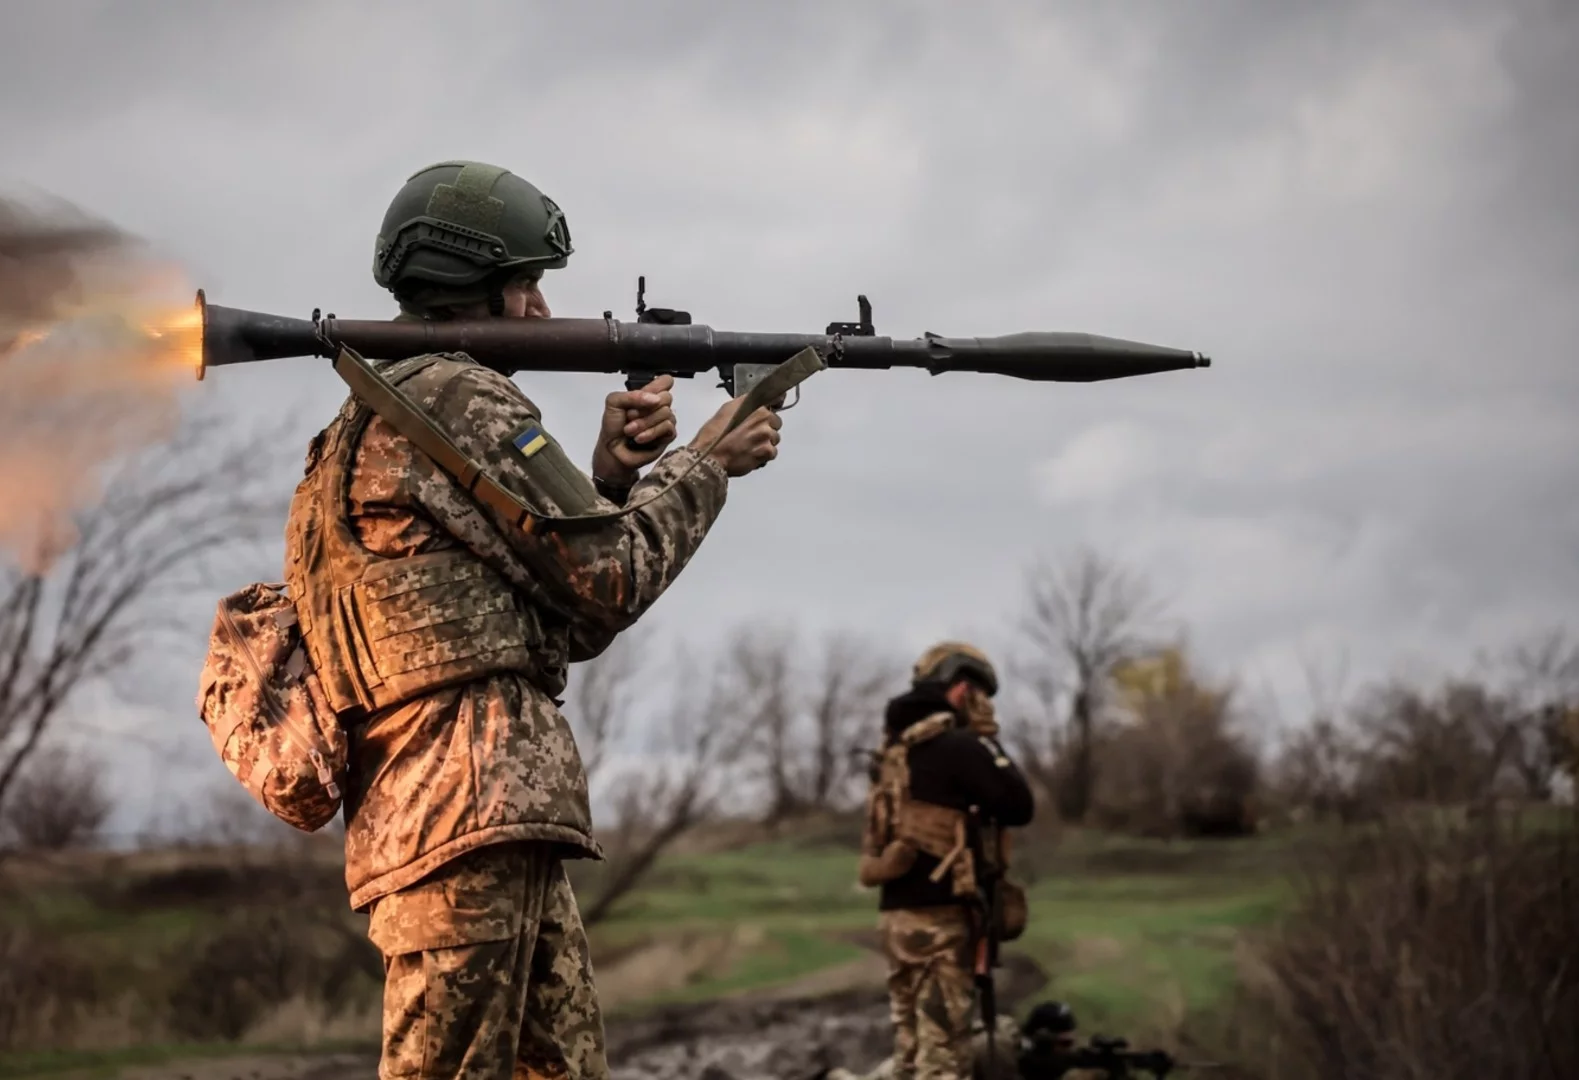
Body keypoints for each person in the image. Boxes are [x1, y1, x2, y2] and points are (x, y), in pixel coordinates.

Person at [284, 160, 786, 1080]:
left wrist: (611, 483)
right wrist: (710, 460)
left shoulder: (363, 422)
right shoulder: (459, 400)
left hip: (469, 818)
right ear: (479, 286)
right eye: (528, 284)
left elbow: (560, 623)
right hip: (463, 813)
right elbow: (612, 581)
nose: (545, 311)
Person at [857, 642, 1037, 1080]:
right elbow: (1019, 804)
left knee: (911, 1048)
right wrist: (987, 740)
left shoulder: (893, 753)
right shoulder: (959, 747)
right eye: (980, 695)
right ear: (961, 690)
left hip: (896, 919)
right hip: (941, 922)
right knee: (944, 1057)